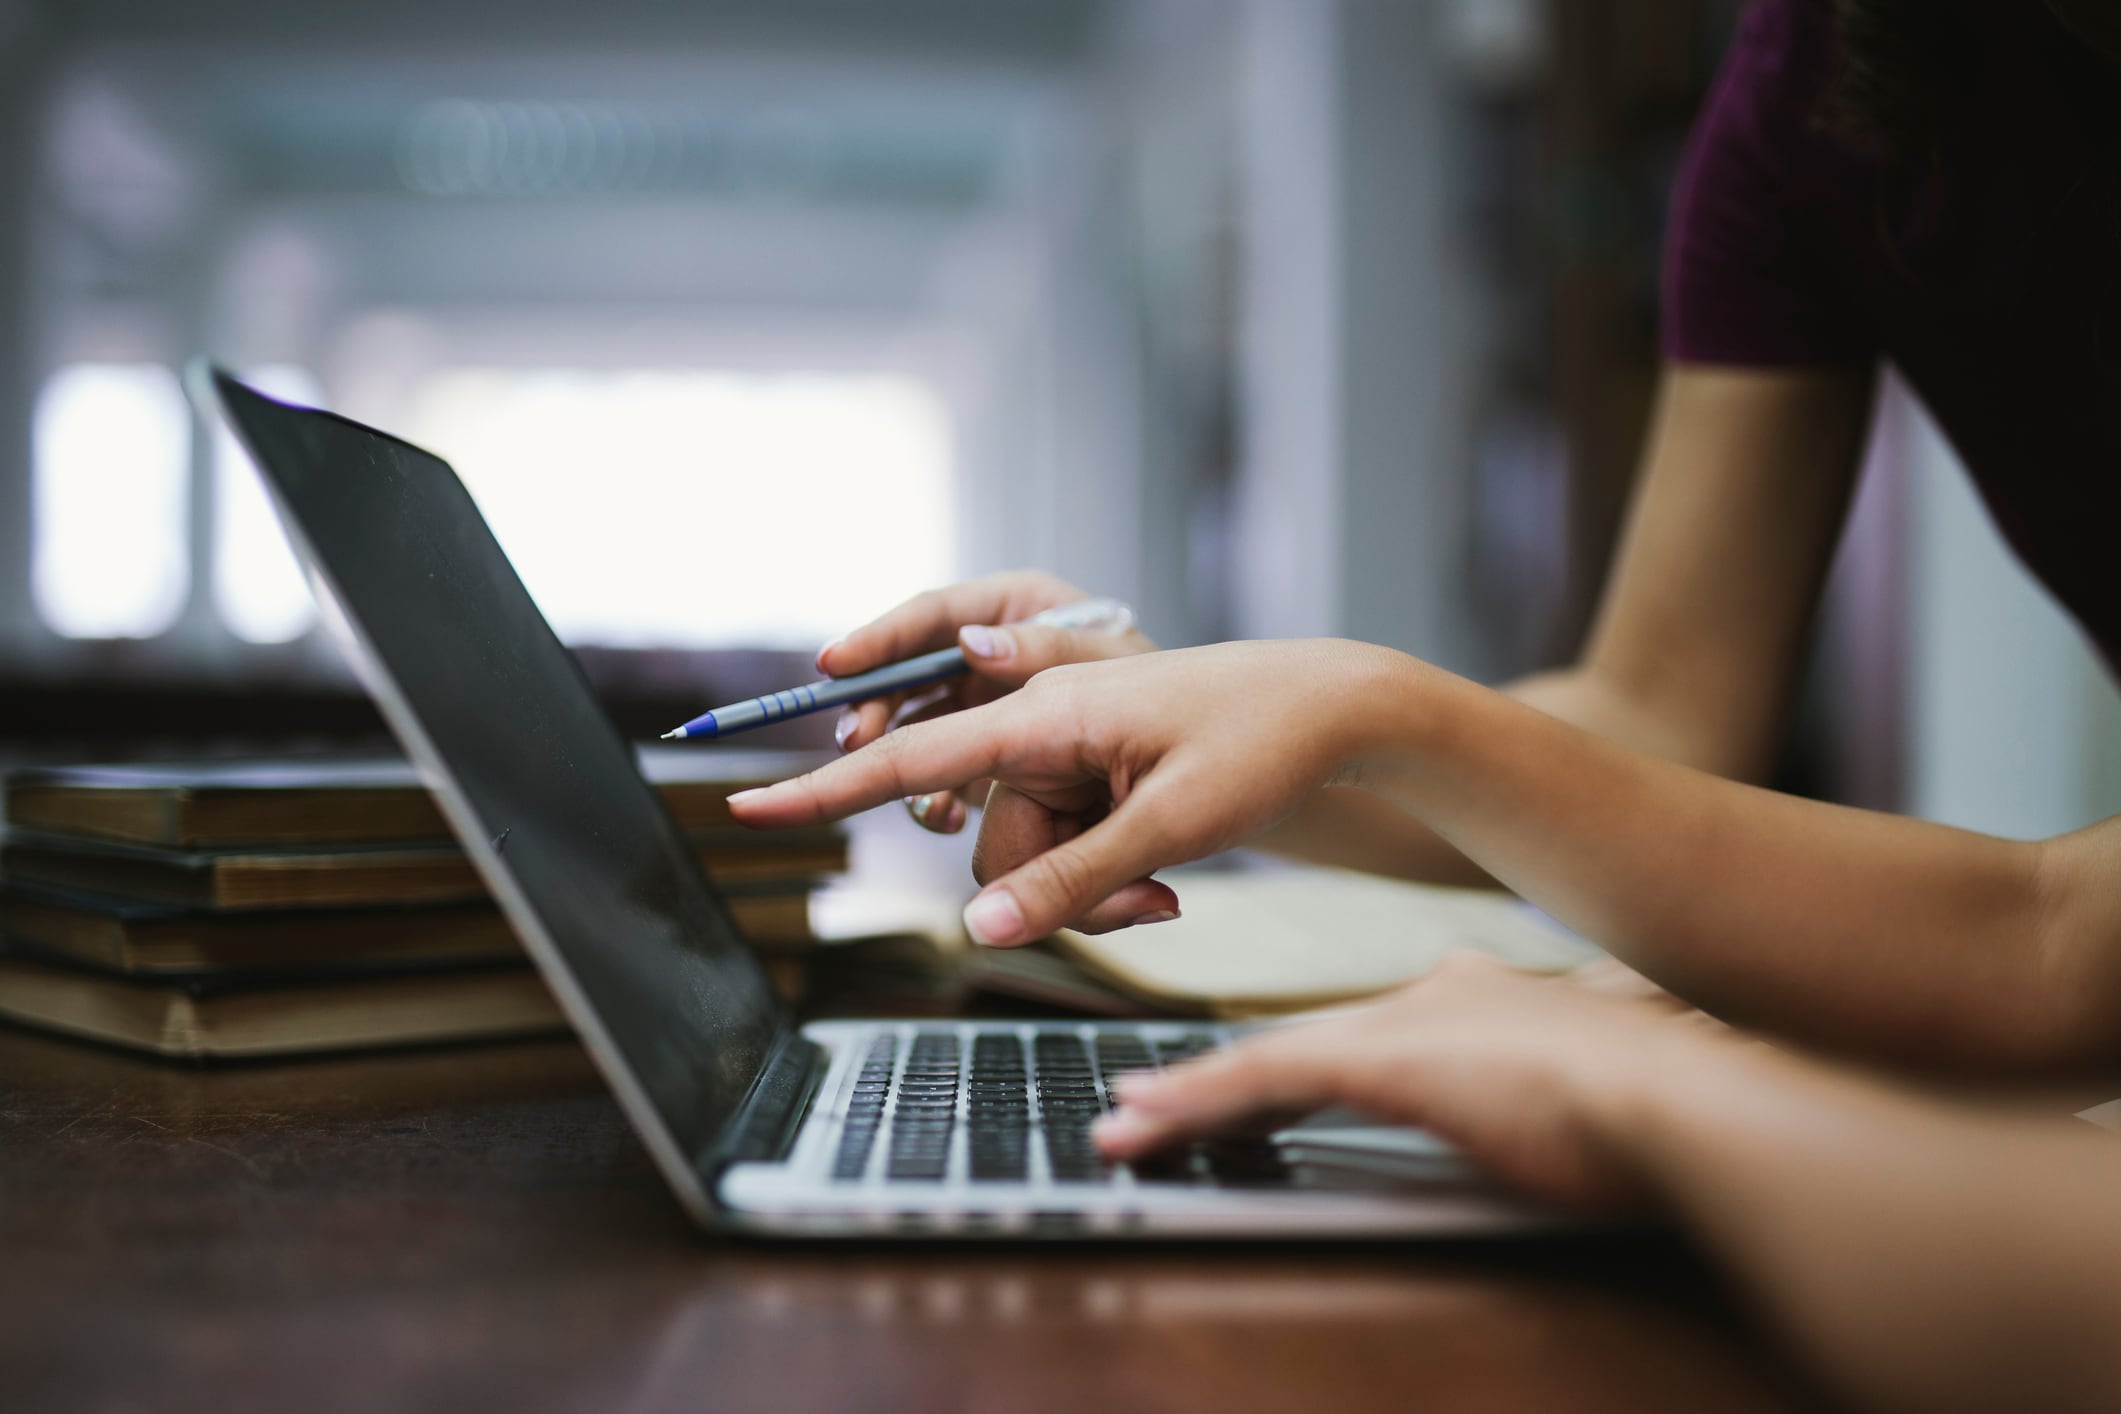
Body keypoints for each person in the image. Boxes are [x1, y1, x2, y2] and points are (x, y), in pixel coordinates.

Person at [750, 0, 2121, 1078]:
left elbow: (2057, 940)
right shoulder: (1824, 80)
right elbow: (1656, 719)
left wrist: (1363, 703)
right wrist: (1208, 713)